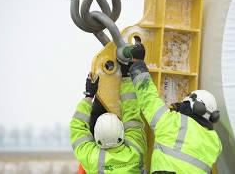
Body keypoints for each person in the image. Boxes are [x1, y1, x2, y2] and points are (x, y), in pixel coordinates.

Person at [124, 43, 222, 174]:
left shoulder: (173, 123)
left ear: (195, 106)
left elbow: (148, 98)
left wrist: (138, 63)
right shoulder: (215, 144)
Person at [70, 72, 147, 173]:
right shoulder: (135, 152)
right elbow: (132, 118)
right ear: (122, 132)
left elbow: (77, 127)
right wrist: (126, 78)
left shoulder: (92, 159)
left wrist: (88, 96)